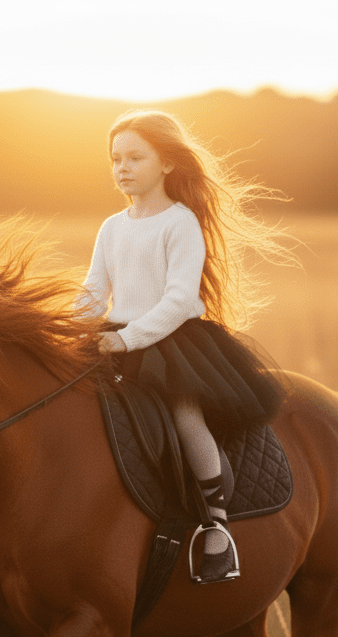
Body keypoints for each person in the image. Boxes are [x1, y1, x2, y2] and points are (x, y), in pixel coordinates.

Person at [80, 109, 293, 583]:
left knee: (183, 413)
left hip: (171, 342)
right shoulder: (112, 227)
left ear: (168, 163)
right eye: (116, 159)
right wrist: (70, 329)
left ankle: (216, 525)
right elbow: (94, 289)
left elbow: (178, 299)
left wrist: (127, 339)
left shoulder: (180, 224)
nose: (122, 167)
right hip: (116, 337)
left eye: (135, 157)